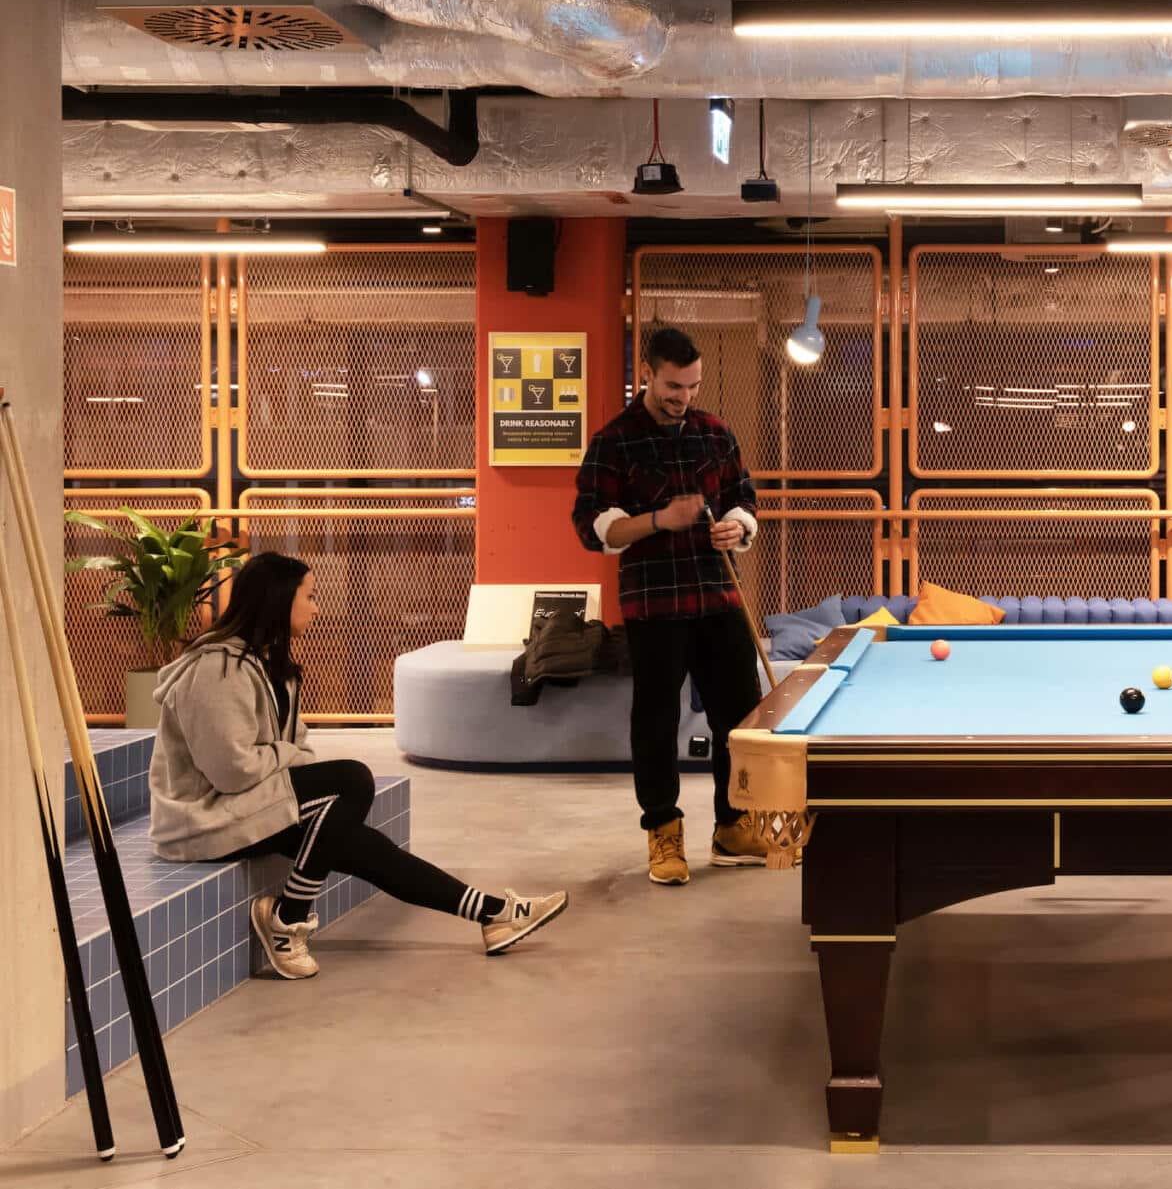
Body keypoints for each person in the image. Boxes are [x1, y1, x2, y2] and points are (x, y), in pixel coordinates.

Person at [149, 553, 567, 980]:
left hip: (243, 803)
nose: (316, 608)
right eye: (309, 597)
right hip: (202, 818)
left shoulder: (274, 666)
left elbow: (295, 746)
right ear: (278, 600)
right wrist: (287, 758)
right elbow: (232, 770)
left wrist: (285, 757)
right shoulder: (218, 669)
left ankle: (493, 915)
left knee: (358, 842)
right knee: (351, 780)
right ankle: (288, 918)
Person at [571, 326, 770, 887]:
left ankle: (734, 827)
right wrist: (660, 519)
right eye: (673, 386)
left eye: (692, 386)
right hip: (653, 604)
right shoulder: (613, 441)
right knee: (656, 722)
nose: (684, 397)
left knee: (742, 715)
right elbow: (592, 528)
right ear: (649, 375)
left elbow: (745, 496)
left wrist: (740, 525)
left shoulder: (714, 433)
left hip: (717, 593)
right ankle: (663, 832)